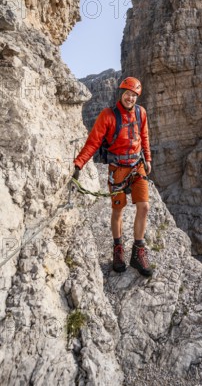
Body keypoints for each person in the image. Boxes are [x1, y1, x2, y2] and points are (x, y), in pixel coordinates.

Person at [72, 77, 153, 276]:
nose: (130, 98)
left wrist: (148, 159)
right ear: (121, 93)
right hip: (117, 169)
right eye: (127, 94)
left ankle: (138, 252)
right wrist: (79, 163)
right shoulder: (108, 116)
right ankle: (118, 250)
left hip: (137, 166)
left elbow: (144, 137)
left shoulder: (140, 113)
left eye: (134, 95)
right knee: (118, 210)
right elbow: (93, 142)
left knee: (144, 206)